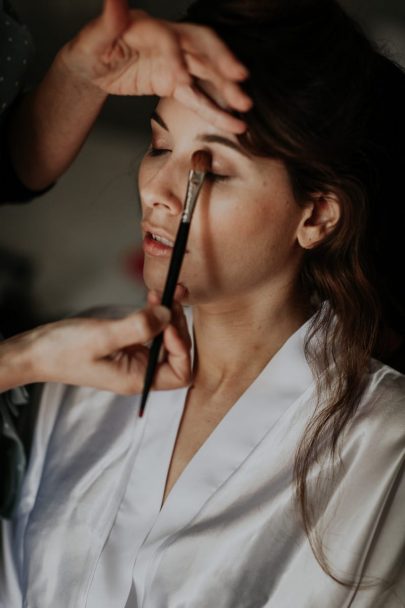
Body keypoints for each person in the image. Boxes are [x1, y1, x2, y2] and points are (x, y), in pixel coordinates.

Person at [1, 0, 405, 606]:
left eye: (211, 171)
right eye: (158, 145)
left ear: (317, 214)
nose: (157, 191)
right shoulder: (72, 372)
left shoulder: (385, 443)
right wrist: (21, 358)